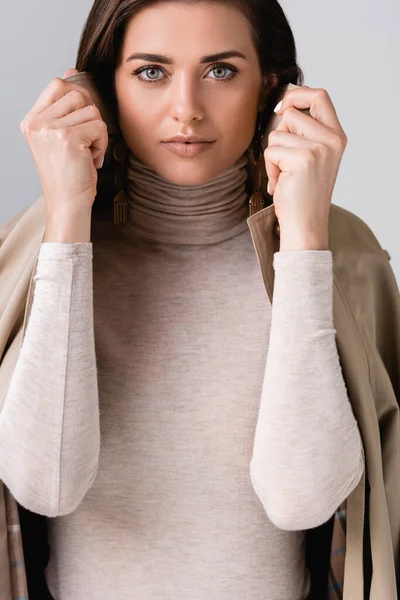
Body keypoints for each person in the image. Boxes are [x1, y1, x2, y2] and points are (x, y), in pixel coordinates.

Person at [2, 0, 395, 598]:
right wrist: (67, 218)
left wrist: (306, 242)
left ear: (270, 85)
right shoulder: (36, 252)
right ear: (100, 90)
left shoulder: (346, 256)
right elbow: (46, 484)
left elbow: (303, 499)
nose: (186, 109)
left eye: (220, 70)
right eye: (151, 72)